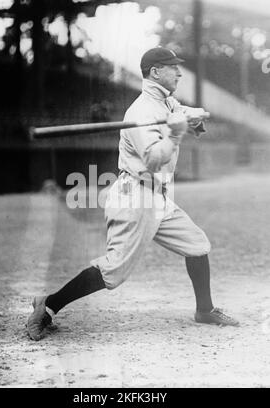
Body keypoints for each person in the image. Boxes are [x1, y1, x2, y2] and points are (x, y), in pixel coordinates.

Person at [27, 47, 239, 341]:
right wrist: (174, 133)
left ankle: (205, 310)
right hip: (135, 196)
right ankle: (48, 305)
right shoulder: (141, 112)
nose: (179, 73)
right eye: (172, 67)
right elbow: (154, 159)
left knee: (197, 244)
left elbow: (183, 115)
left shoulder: (165, 101)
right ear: (155, 72)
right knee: (113, 272)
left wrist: (192, 118)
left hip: (157, 197)